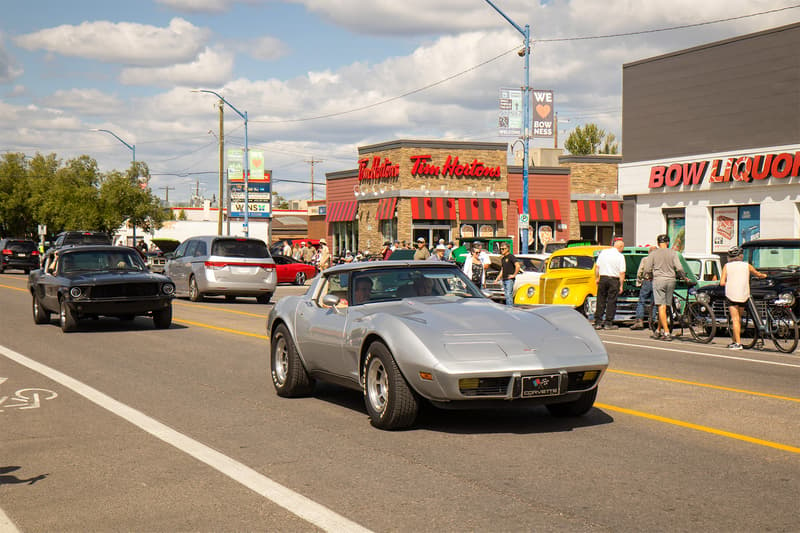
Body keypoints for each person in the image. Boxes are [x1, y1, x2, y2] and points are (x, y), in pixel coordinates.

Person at [720, 245, 767, 350]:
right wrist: (764, 276)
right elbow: (758, 274)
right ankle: (735, 341)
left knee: (735, 319)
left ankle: (738, 343)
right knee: (739, 319)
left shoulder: (727, 266)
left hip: (731, 295)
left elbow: (722, 282)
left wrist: (731, 282)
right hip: (744, 295)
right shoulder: (747, 265)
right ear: (741, 256)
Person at [645, 234, 688, 341]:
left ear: (658, 243)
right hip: (671, 280)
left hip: (659, 280)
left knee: (661, 307)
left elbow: (647, 269)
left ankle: (667, 332)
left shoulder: (654, 253)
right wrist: (684, 277)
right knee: (665, 307)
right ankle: (658, 330)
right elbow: (679, 267)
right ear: (668, 242)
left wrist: (649, 276)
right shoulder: (673, 253)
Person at [593, 238, 626, 329]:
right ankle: (608, 323)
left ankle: (598, 322)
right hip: (614, 280)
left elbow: (597, 267)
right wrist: (621, 285)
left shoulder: (603, 253)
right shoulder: (620, 256)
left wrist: (597, 278)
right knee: (611, 301)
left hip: (603, 278)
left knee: (600, 300)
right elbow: (622, 272)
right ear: (620, 247)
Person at [631, 246, 657, 330]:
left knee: (642, 301)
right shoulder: (658, 260)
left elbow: (640, 272)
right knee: (654, 303)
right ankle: (652, 322)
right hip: (656, 282)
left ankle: (639, 320)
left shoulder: (645, 259)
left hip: (647, 281)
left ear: (649, 252)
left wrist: (639, 281)